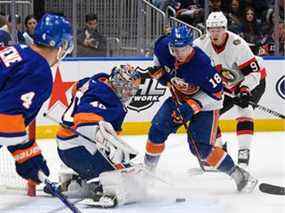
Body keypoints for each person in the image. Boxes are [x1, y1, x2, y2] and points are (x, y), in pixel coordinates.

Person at [143, 25, 258, 193]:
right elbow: (158, 63)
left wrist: (193, 106)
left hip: (207, 105)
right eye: (175, 49)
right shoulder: (162, 46)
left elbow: (217, 95)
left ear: (191, 46)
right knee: (156, 130)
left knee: (201, 149)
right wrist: (161, 75)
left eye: (184, 49)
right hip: (179, 97)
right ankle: (148, 173)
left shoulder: (202, 65)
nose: (179, 54)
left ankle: (239, 175)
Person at [54, 65, 147, 207]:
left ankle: (76, 183)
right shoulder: (113, 103)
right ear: (118, 82)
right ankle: (110, 191)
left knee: (106, 144)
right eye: (127, 87)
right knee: (114, 158)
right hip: (81, 150)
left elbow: (75, 89)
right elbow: (86, 123)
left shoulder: (90, 82)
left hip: (63, 147)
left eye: (133, 89)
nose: (129, 93)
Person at [0, 14, 73, 185]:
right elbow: (5, 120)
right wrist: (27, 154)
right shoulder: (38, 71)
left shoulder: (19, 51)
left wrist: (25, 151)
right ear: (60, 45)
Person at [193, 12, 266, 167]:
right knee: (208, 112)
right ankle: (217, 149)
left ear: (225, 29)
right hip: (225, 84)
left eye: (218, 30)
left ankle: (244, 151)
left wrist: (245, 89)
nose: (214, 34)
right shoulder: (200, 44)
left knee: (244, 108)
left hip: (253, 80)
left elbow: (253, 72)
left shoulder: (237, 45)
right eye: (211, 30)